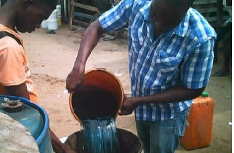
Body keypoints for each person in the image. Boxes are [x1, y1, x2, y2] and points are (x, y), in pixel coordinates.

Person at [66, 0, 216, 152]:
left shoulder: (200, 38)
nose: (159, 25)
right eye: (156, 16)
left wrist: (140, 100)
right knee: (144, 145)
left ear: (185, 11)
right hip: (140, 107)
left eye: (168, 22)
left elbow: (193, 89)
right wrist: (79, 65)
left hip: (168, 115)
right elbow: (97, 27)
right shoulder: (135, 5)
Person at [0, 0, 76, 152]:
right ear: (26, 3)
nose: (39, 25)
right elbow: (26, 112)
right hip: (20, 134)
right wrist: (61, 148)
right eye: (40, 17)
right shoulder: (7, 47)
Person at [212, 0, 232, 77]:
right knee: (215, 34)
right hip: (231, 20)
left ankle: (226, 68)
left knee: (227, 40)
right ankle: (213, 59)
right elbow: (219, 9)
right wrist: (219, 22)